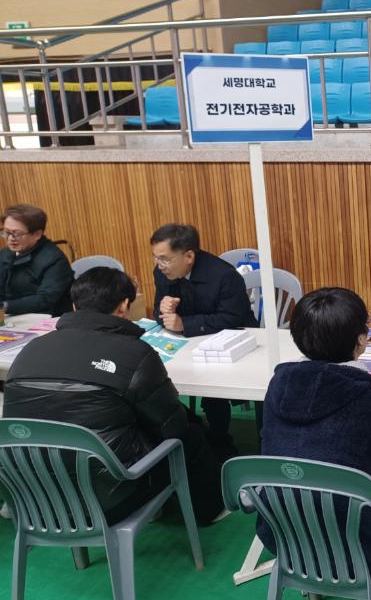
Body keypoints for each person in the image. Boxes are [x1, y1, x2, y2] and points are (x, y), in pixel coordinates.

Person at [2, 267, 224, 525]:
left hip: (31, 493)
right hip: (109, 497)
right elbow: (171, 426)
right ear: (124, 306)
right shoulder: (135, 353)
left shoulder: (32, 349)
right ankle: (209, 511)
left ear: (74, 306)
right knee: (189, 433)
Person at [260, 287, 371, 600]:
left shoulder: (277, 387)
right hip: (369, 545)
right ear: (361, 341)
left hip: (289, 536)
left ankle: (314, 579)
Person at [150, 223, 257, 456]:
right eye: (156, 258)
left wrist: (184, 324)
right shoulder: (162, 273)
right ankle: (191, 432)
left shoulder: (224, 275)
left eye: (165, 259)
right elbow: (159, 314)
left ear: (188, 256)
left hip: (233, 343)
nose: (160, 266)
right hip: (189, 344)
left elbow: (232, 318)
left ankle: (220, 442)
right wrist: (162, 310)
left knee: (212, 389)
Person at [0, 204, 73, 317]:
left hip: (48, 318)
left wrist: (5, 306)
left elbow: (45, 299)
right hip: (12, 316)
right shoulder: (5, 254)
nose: (10, 239)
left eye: (17, 234)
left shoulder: (55, 259)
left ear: (37, 234)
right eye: (6, 232)